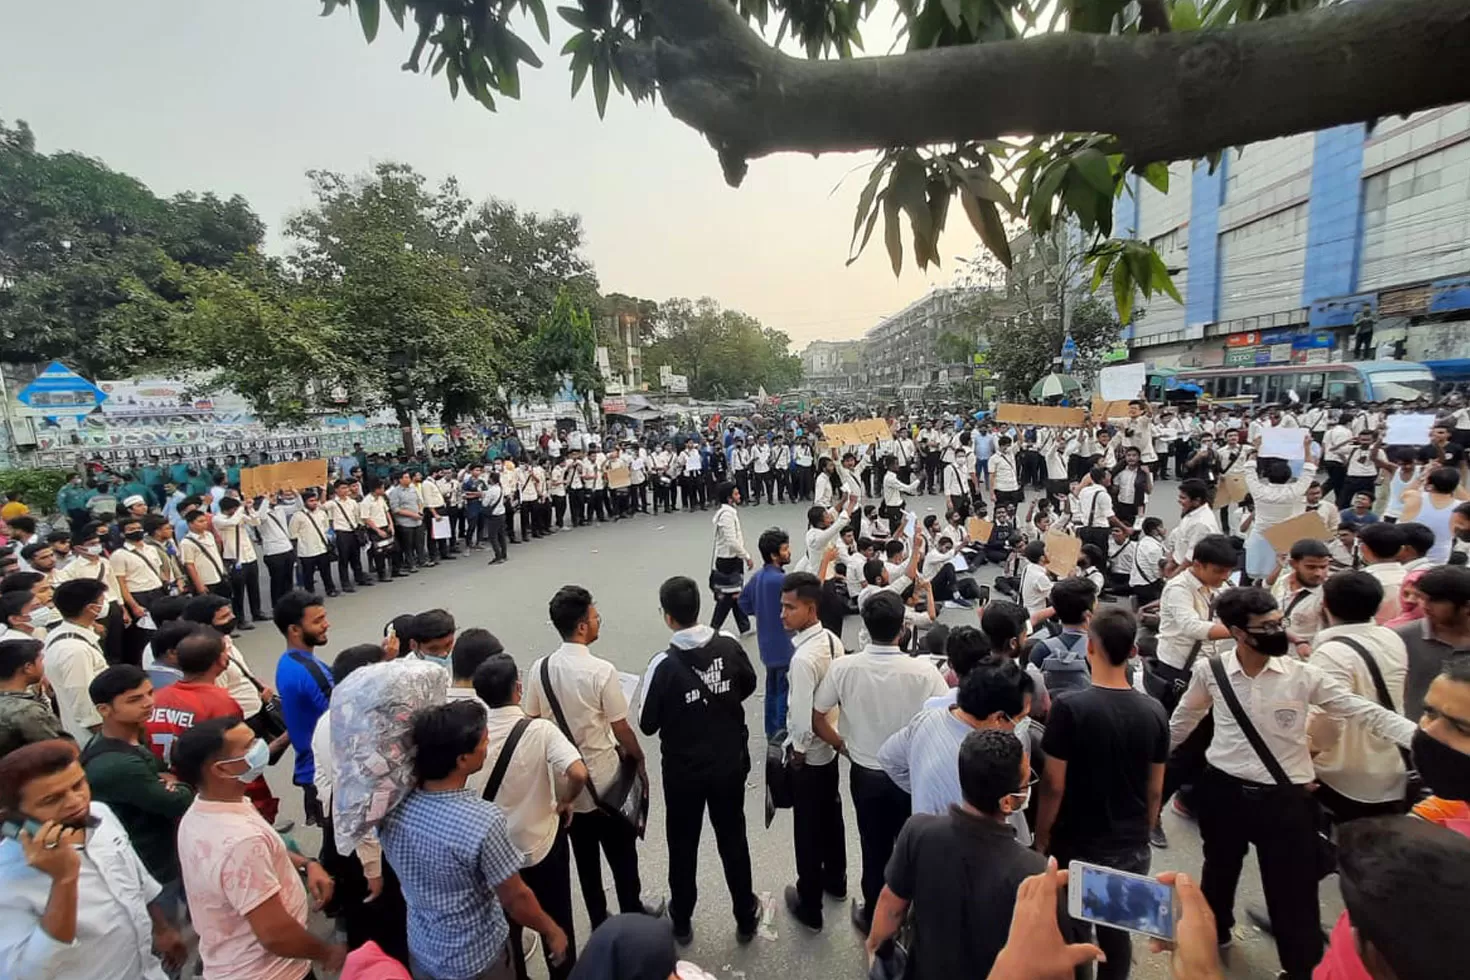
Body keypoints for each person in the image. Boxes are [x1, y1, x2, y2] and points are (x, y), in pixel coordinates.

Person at [1168, 586, 1417, 980]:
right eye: (1265, 626)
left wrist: (1423, 739)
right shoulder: (1211, 672)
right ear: (1237, 632)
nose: (1278, 631)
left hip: (1284, 802)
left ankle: (1300, 969)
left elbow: (1363, 711)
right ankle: (1214, 933)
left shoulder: (1304, 677)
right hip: (1223, 791)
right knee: (1218, 869)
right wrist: (1155, 757)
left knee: (1292, 894)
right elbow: (1184, 720)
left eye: (1278, 622)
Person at [864, 730, 1079, 980]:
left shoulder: (919, 832)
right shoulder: (1034, 871)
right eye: (1025, 781)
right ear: (1007, 802)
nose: (1028, 786)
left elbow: (891, 906)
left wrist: (874, 947)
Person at [379, 700, 568, 980]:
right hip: (477, 959)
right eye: (483, 742)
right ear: (462, 760)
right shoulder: (481, 821)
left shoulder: (392, 805)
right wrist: (552, 930)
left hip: (423, 950)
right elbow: (516, 897)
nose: (487, 746)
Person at [1033, 607, 1168, 980]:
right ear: (1134, 653)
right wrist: (1145, 828)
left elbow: (1053, 784)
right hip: (1130, 843)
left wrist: (1042, 837)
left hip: (1078, 840)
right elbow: (1155, 789)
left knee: (1074, 931)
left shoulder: (1070, 708)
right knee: (1116, 933)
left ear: (1090, 647)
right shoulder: (1155, 711)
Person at [524, 586, 660, 929]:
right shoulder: (601, 671)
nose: (599, 622)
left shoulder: (539, 670)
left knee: (585, 861)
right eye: (596, 618)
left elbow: (532, 721)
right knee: (623, 856)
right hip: (606, 781)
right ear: (582, 626)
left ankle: (599, 920)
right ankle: (632, 913)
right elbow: (621, 727)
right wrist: (639, 759)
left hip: (567, 786)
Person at [812, 591, 948, 934]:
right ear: (902, 629)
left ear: (865, 625)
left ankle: (873, 914)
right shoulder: (924, 672)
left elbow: (817, 716)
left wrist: (842, 746)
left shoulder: (844, 667)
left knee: (873, 848)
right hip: (910, 773)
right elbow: (944, 720)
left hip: (866, 771)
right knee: (909, 846)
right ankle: (907, 917)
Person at [0, 739, 187, 980]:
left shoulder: (100, 814)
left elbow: (135, 877)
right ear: (13, 817)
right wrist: (64, 881)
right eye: (52, 800)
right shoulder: (6, 879)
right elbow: (27, 974)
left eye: (78, 785)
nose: (75, 801)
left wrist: (161, 929)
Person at [174, 718, 345, 979]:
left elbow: (258, 854)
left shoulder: (203, 811)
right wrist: (327, 952)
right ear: (219, 769)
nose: (260, 748)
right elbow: (275, 935)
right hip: (272, 971)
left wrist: (305, 863)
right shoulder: (240, 841)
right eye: (248, 746)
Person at [638, 576, 759, 946]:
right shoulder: (728, 645)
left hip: (683, 772)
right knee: (733, 837)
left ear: (668, 617)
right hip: (727, 764)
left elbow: (647, 723)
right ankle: (744, 914)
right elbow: (749, 683)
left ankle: (682, 918)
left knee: (683, 842)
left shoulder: (663, 664)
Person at [473, 653, 586, 980]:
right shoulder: (540, 730)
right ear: (517, 689)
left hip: (498, 856)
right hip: (543, 846)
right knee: (558, 920)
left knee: (509, 925)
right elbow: (578, 772)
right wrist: (566, 801)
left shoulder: (474, 737)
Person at [80, 665, 194, 920]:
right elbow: (177, 801)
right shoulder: (117, 764)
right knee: (166, 938)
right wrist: (180, 784)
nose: (148, 703)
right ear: (104, 709)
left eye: (149, 693)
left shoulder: (130, 735)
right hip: (151, 865)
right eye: (134, 699)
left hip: (163, 852)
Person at [1308, 571, 1410, 823]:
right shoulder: (1391, 637)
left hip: (1345, 775)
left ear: (1325, 605)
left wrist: (1302, 763)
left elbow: (1327, 720)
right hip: (1391, 764)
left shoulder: (1332, 652)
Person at [777, 570, 848, 932]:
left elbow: (802, 718)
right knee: (831, 815)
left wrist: (797, 754)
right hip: (831, 746)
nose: (782, 614)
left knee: (806, 829)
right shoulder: (832, 640)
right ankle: (836, 879)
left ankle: (810, 904)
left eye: (790, 608)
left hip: (810, 754)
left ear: (811, 608)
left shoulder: (803, 659)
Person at [273, 589, 334, 824]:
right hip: (323, 773)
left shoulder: (288, 661)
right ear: (294, 629)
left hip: (311, 769)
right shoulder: (310, 670)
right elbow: (342, 716)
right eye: (317, 621)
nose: (326, 625)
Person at [738, 527, 794, 739]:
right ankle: (780, 732)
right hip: (785, 645)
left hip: (766, 643)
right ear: (774, 555)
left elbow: (743, 603)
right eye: (785, 549)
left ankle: (771, 729)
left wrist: (761, 610)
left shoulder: (759, 577)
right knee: (783, 691)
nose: (789, 552)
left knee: (771, 689)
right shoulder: (781, 581)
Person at [1397, 564, 1470, 720]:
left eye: (1435, 601)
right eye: (1422, 598)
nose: (1425, 606)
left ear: (1467, 606)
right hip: (1415, 735)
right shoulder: (1402, 638)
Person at [42, 578, 111, 743]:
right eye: (103, 601)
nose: (105, 604)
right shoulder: (75, 651)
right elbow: (84, 704)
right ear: (92, 608)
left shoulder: (62, 634)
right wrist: (109, 737)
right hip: (90, 739)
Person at [709, 481, 752, 634]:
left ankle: (744, 626)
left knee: (735, 594)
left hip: (730, 559)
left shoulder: (728, 512)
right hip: (729, 560)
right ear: (729, 498)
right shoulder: (727, 515)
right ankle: (714, 627)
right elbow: (731, 541)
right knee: (727, 597)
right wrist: (746, 556)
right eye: (735, 494)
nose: (739, 495)